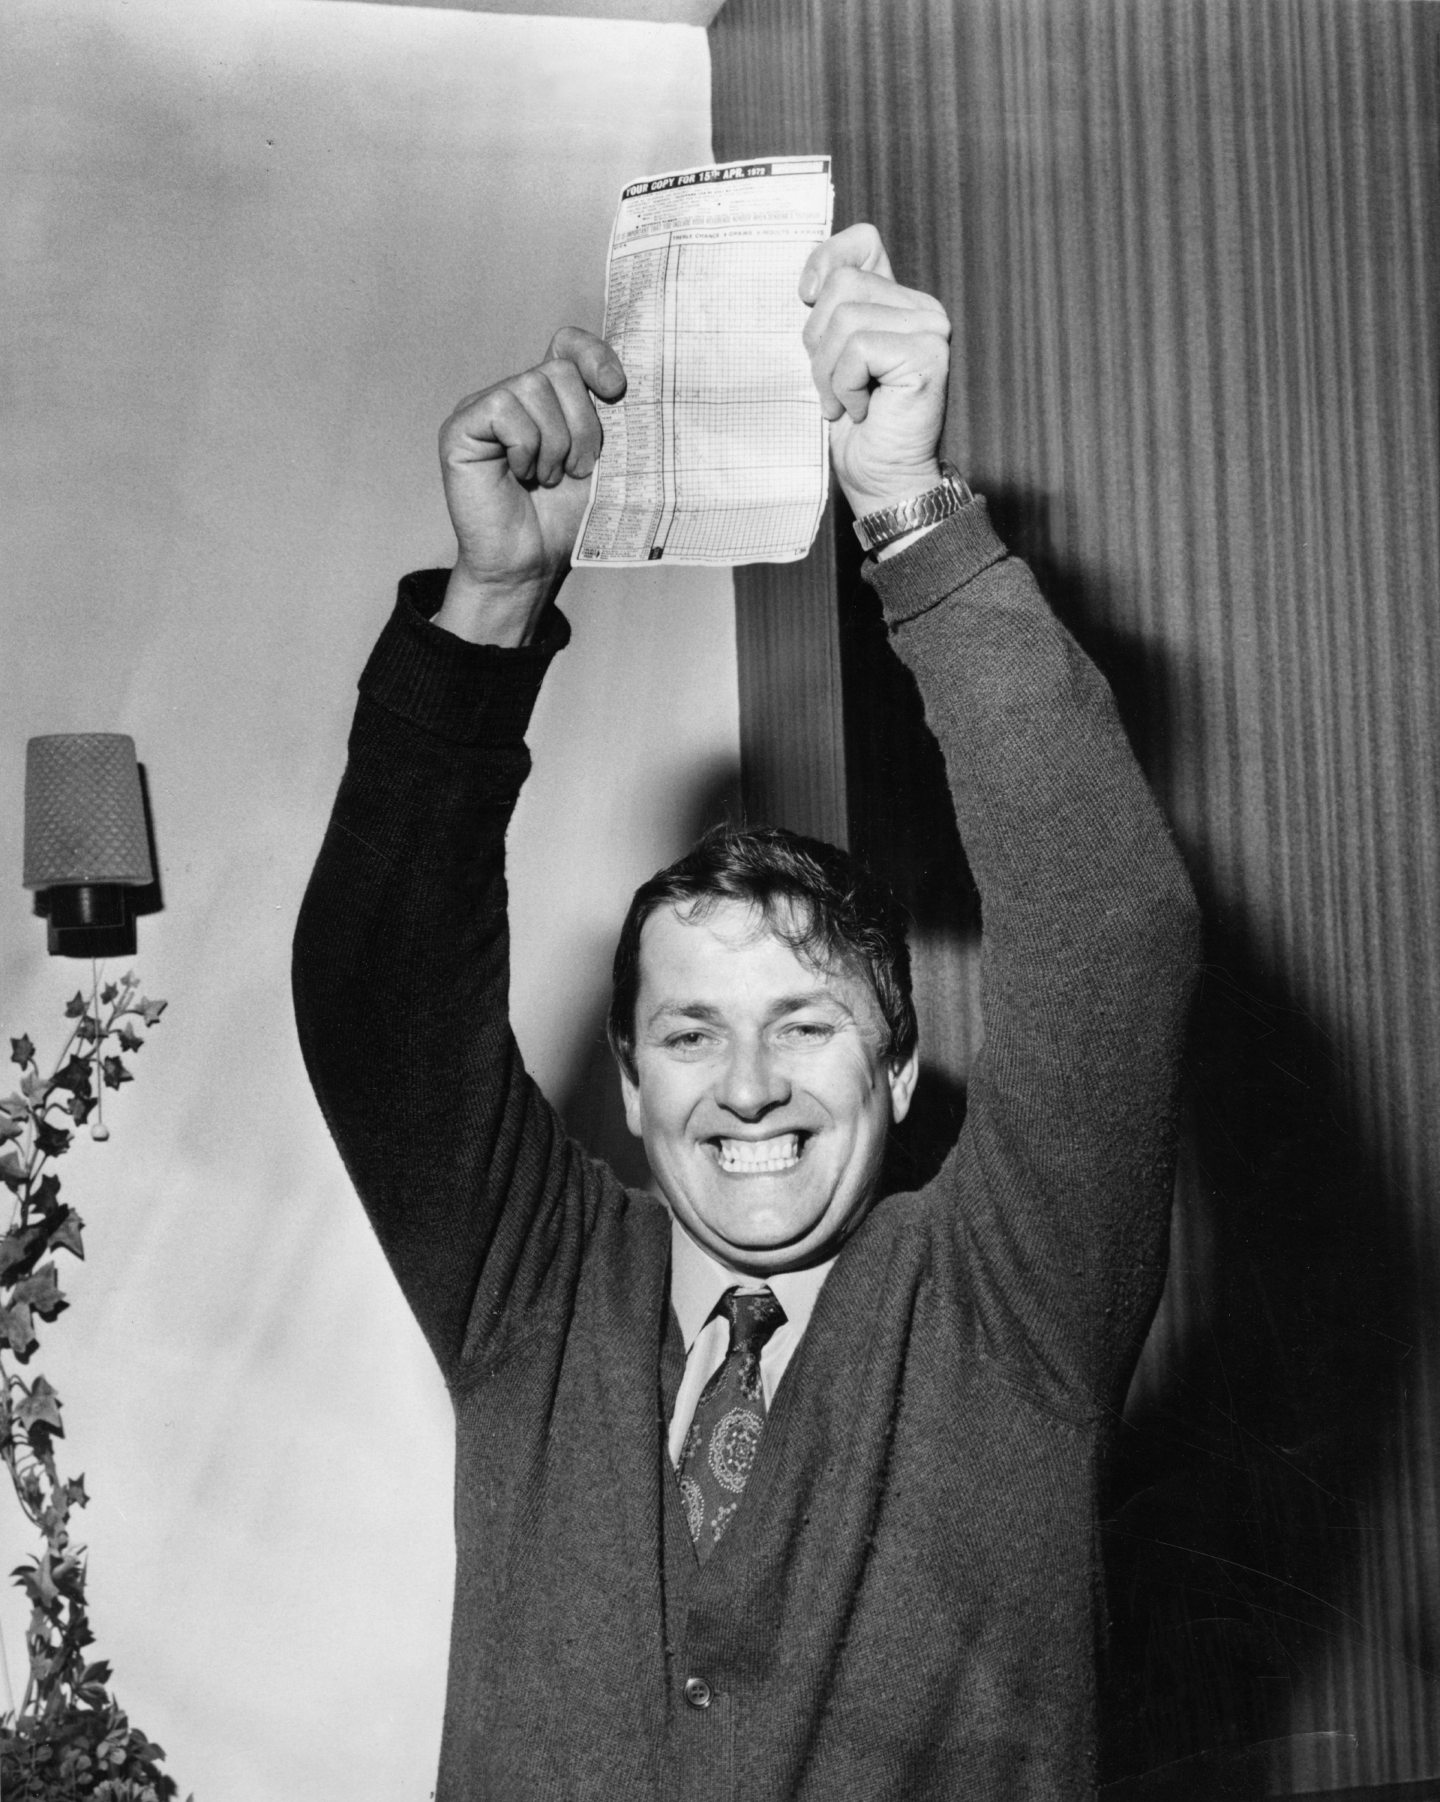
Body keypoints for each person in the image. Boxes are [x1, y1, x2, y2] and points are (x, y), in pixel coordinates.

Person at [293, 224, 1200, 1800]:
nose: (751, 1086)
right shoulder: (536, 1296)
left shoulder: (1011, 1303)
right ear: (631, 1086)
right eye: (693, 1033)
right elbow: (373, 994)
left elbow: (1112, 929)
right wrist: (496, 599)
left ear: (905, 1066)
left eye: (808, 1021)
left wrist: (909, 517)